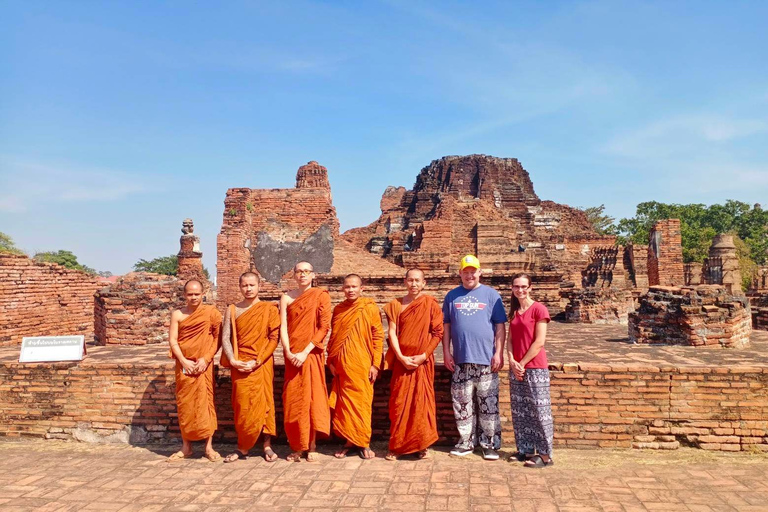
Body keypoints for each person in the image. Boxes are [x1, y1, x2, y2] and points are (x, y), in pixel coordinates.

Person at [442, 255, 507, 460]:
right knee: (462, 404)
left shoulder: (491, 295)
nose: (469, 275)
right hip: (461, 360)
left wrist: (498, 352)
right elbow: (446, 327)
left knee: (488, 404)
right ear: (460, 273)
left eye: (473, 271)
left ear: (480, 272)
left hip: (486, 360)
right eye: (465, 271)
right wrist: (446, 351)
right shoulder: (452, 296)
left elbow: (499, 326)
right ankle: (465, 442)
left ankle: (489, 444)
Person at [383, 268, 444, 461]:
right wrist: (400, 357)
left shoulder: (430, 304)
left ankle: (421, 445)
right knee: (399, 403)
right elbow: (392, 332)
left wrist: (424, 355)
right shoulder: (395, 305)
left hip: (422, 363)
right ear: (405, 282)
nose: (414, 284)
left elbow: (438, 333)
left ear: (424, 283)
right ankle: (397, 446)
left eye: (418, 281)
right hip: (402, 362)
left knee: (421, 404)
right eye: (410, 280)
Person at [221, 272, 280, 463]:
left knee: (265, 405)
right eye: (244, 285)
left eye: (251, 285)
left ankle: (267, 445)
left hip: (260, 364)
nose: (248, 289)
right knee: (242, 406)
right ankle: (243, 447)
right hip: (239, 364)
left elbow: (274, 338)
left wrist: (258, 360)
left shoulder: (269, 309)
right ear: (239, 286)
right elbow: (225, 339)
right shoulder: (231, 310)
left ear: (258, 286)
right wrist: (232, 360)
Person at [327, 274, 384, 459]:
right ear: (342, 289)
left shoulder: (369, 308)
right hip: (342, 366)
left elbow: (378, 337)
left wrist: (376, 364)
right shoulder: (339, 310)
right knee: (345, 405)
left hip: (362, 365)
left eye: (354, 287)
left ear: (362, 289)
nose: (350, 290)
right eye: (347, 287)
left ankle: (363, 442)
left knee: (362, 404)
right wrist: (331, 361)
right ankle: (349, 441)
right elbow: (334, 338)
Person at [280, 261, 332, 462]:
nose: (302, 275)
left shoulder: (321, 296)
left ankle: (311, 446)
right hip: (292, 355)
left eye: (306, 271)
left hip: (310, 355)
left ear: (312, 275)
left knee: (311, 399)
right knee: (294, 400)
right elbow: (283, 326)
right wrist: (288, 351)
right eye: (299, 271)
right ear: (293, 275)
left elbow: (324, 327)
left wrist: (305, 351)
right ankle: (296, 446)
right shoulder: (286, 298)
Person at [167, 279, 222, 462]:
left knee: (206, 404)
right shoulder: (178, 314)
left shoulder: (210, 313)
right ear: (184, 295)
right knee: (185, 404)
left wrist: (206, 359)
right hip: (184, 366)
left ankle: (208, 447)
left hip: (203, 366)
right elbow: (173, 341)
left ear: (203, 293)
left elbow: (217, 338)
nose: (193, 297)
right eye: (190, 294)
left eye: (197, 294)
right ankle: (186, 447)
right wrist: (183, 361)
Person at [507, 273, 554, 468]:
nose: (520, 290)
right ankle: (525, 449)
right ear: (512, 288)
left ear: (530, 287)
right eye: (516, 286)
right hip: (517, 367)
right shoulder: (515, 312)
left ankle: (545, 454)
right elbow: (509, 340)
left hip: (534, 367)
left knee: (539, 410)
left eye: (524, 286)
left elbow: (539, 342)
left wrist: (522, 363)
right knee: (521, 410)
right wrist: (511, 361)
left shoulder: (538, 309)